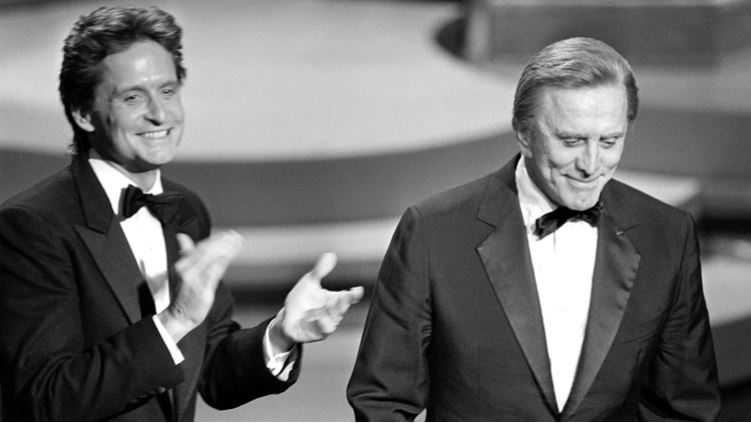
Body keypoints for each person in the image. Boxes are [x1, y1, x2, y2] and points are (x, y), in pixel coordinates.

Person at [0, 6, 363, 421]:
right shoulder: (31, 228)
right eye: (133, 96)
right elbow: (48, 400)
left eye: (168, 91)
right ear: (83, 114)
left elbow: (212, 372)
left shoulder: (185, 209)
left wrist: (280, 332)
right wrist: (175, 320)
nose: (160, 114)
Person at [347, 37, 720, 420]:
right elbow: (382, 403)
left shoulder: (666, 235)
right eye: (571, 141)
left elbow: (685, 407)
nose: (591, 165)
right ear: (524, 133)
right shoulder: (434, 232)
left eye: (609, 141)